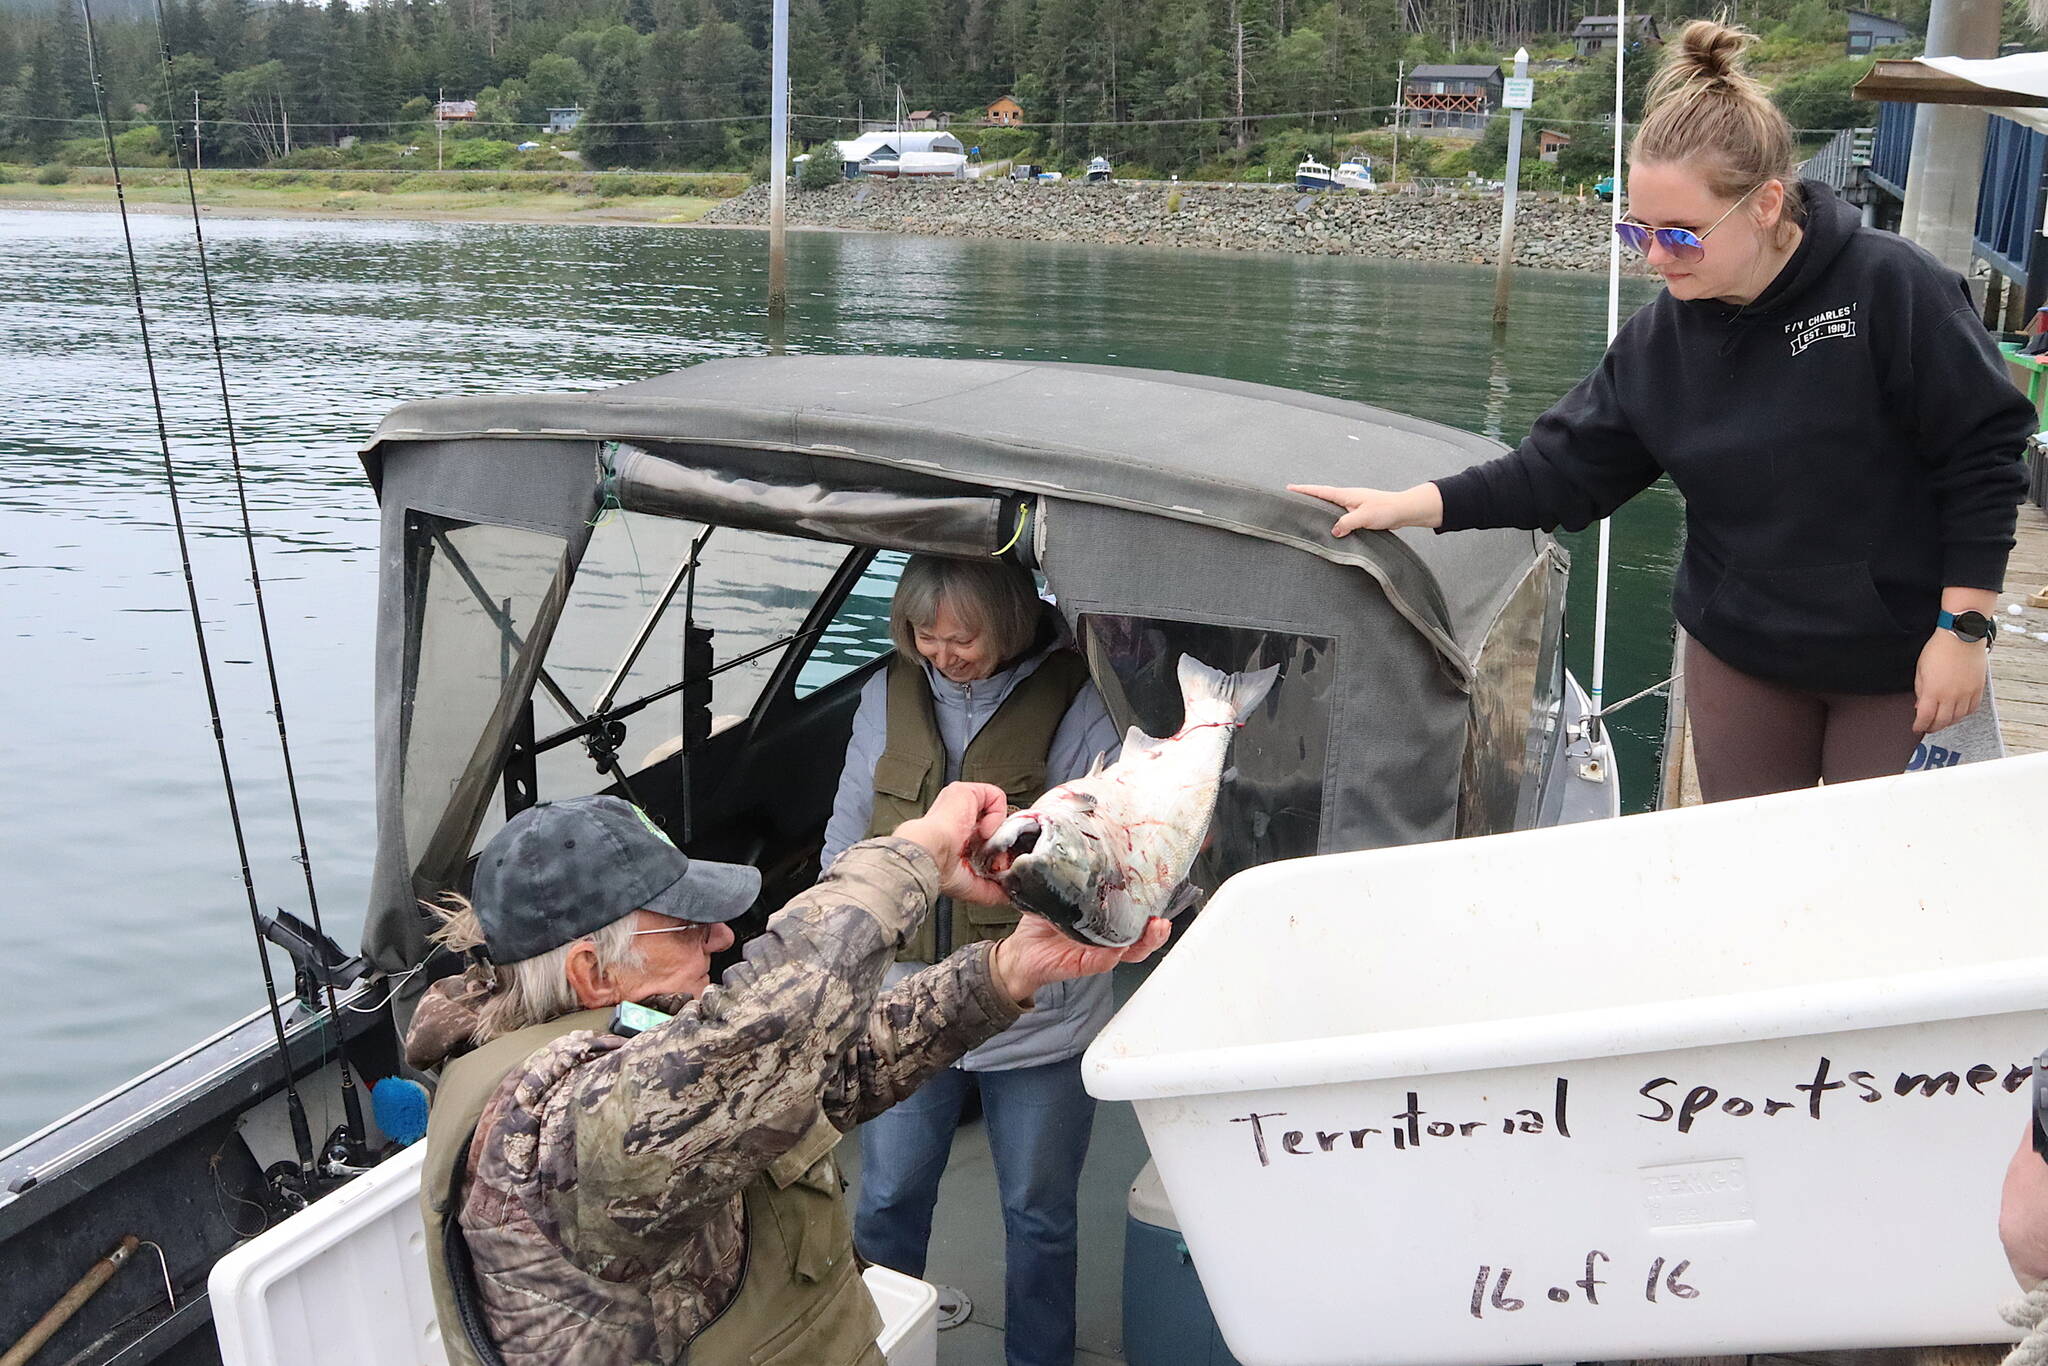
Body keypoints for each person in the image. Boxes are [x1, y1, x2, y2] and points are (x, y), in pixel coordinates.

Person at [1290, 21, 2032, 803]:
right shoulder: (1660, 339)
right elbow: (1562, 470)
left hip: (1904, 656)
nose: (1653, 257)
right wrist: (1414, 505)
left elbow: (1983, 454)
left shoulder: (1893, 288)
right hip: (1740, 656)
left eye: (1679, 234)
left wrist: (1964, 632)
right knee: (1747, 872)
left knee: (1885, 875)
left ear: (1766, 204)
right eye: (1636, 230)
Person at [408, 789, 1168, 1366]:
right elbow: (771, 1027)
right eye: (683, 924)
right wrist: (917, 854)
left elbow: (817, 1073)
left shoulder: (644, 1051)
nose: (721, 935)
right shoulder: (547, 1131)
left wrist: (1007, 972)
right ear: (592, 970)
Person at [821, 553, 1122, 1366]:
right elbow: (848, 833)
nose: (943, 654)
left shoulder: (1080, 703)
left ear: (1012, 627)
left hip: (1037, 1022)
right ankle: (875, 1353)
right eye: (926, 635)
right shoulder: (887, 693)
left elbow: (1102, 862)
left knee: (1039, 1215)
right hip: (907, 1006)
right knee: (885, 1199)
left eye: (964, 638)